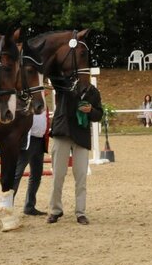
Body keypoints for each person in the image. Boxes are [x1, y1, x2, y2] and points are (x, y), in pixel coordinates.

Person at [47, 81, 103, 225]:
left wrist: (90, 110)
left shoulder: (93, 92)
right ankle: (55, 210)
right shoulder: (63, 84)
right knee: (58, 175)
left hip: (81, 136)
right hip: (62, 132)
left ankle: (80, 212)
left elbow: (99, 114)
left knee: (81, 176)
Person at [12, 109, 49, 215]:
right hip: (27, 140)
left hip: (40, 139)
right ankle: (8, 207)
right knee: (17, 174)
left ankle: (30, 205)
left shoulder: (42, 99)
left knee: (36, 175)